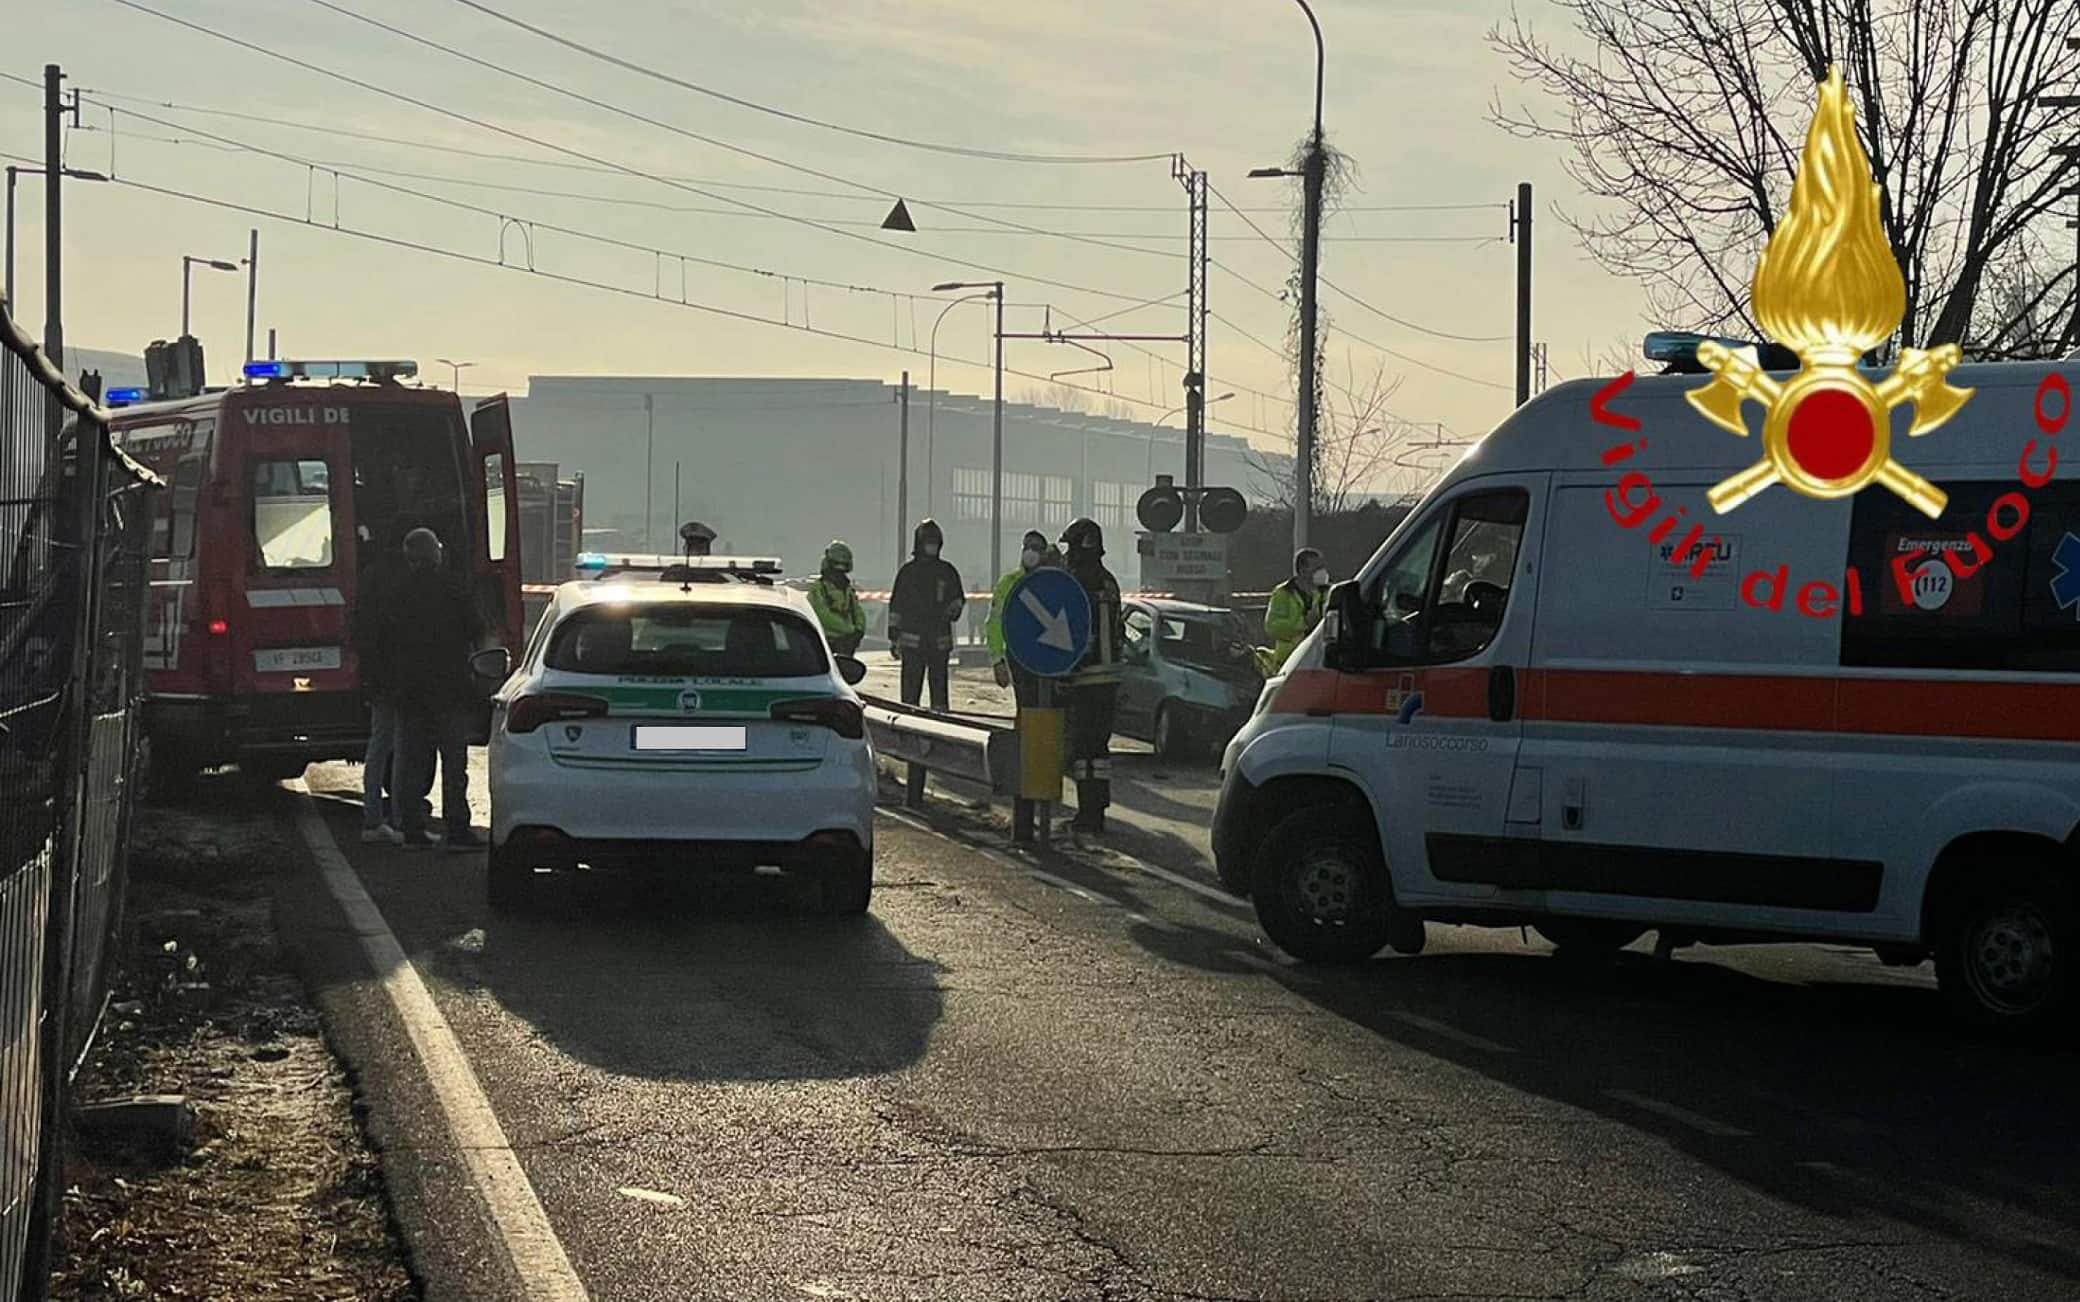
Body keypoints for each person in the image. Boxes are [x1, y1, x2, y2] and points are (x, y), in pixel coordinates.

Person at [380, 527, 487, 851]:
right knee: (454, 764)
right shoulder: (453, 587)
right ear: (435, 554)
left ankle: (412, 829)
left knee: (411, 761)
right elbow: (476, 629)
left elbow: (385, 641)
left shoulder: (397, 592)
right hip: (450, 688)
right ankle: (456, 829)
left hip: (410, 691)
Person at [352, 522, 431, 842]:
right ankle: (396, 817)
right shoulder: (404, 579)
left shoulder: (371, 574)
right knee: (400, 746)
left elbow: (361, 627)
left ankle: (373, 818)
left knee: (379, 744)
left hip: (377, 673)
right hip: (398, 673)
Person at [987, 530, 1055, 843]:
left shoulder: (1053, 581)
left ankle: (1039, 789)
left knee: (1046, 722)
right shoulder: (1009, 583)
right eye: (1027, 547)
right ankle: (1026, 793)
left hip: (1049, 663)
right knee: (1025, 719)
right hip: (1019, 659)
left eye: (1036, 549)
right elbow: (996, 622)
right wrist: (997, 660)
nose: (1031, 553)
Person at [1058, 517, 1124, 835]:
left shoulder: (1074, 581)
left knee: (1083, 751)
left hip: (1084, 676)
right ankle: (1097, 811)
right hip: (1109, 678)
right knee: (1100, 749)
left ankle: (1087, 814)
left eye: (1070, 546)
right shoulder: (1109, 581)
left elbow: (1069, 629)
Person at [887, 518, 964, 710]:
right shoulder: (908, 573)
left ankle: (940, 724)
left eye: (935, 542)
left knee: (939, 694)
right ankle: (910, 727)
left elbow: (958, 599)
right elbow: (896, 606)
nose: (932, 546)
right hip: (913, 644)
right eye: (929, 542)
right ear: (920, 543)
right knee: (910, 696)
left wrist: (954, 609)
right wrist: (894, 636)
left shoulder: (947, 571)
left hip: (939, 643)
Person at [1262, 547, 1331, 675]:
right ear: (1302, 569)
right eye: (1315, 567)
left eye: (1321, 566)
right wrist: (1303, 623)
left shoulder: (1327, 592)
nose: (1320, 571)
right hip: (1289, 662)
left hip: (1320, 661)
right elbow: (1272, 627)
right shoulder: (1283, 593)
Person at [806, 540, 867, 657]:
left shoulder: (847, 589)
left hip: (847, 645)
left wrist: (859, 630)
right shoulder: (819, 588)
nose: (839, 575)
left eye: (842, 571)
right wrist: (850, 630)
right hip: (828, 644)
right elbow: (823, 615)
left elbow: (857, 610)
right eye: (836, 570)